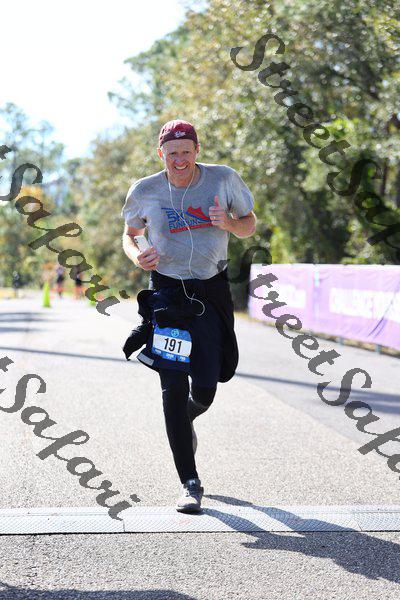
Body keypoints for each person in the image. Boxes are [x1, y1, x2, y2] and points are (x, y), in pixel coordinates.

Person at [121, 119, 256, 513]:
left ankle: (188, 418)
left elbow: (249, 224)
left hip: (211, 291)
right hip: (167, 294)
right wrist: (137, 255)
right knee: (173, 385)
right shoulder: (144, 190)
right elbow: (130, 234)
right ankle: (189, 482)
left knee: (209, 384)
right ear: (160, 154)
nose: (179, 159)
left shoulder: (223, 179)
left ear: (197, 150)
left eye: (185, 151)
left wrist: (229, 223)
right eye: (171, 153)